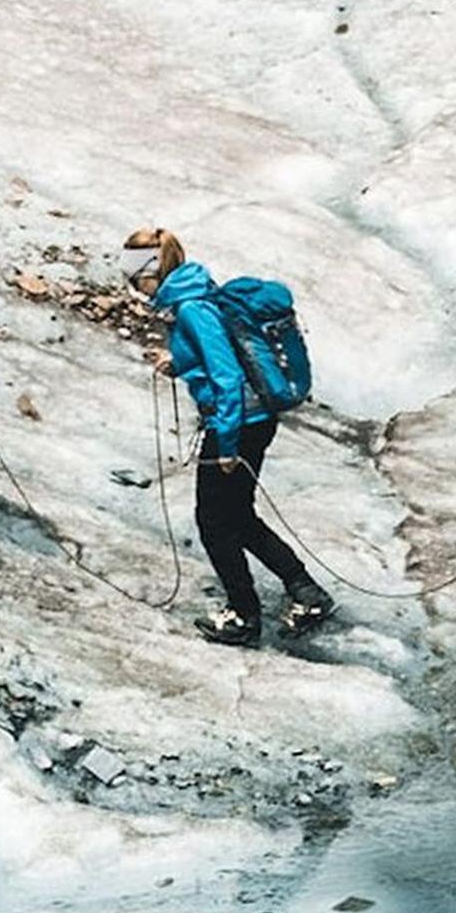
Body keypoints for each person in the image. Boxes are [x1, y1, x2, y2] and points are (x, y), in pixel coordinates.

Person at [125, 228, 332, 647]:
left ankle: (243, 613)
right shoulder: (195, 295)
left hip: (236, 425)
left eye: (134, 279)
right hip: (248, 420)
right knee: (238, 516)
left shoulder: (191, 310)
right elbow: (216, 357)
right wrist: (178, 363)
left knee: (214, 523)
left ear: (150, 273)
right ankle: (306, 591)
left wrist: (228, 445)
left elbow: (226, 375)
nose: (132, 289)